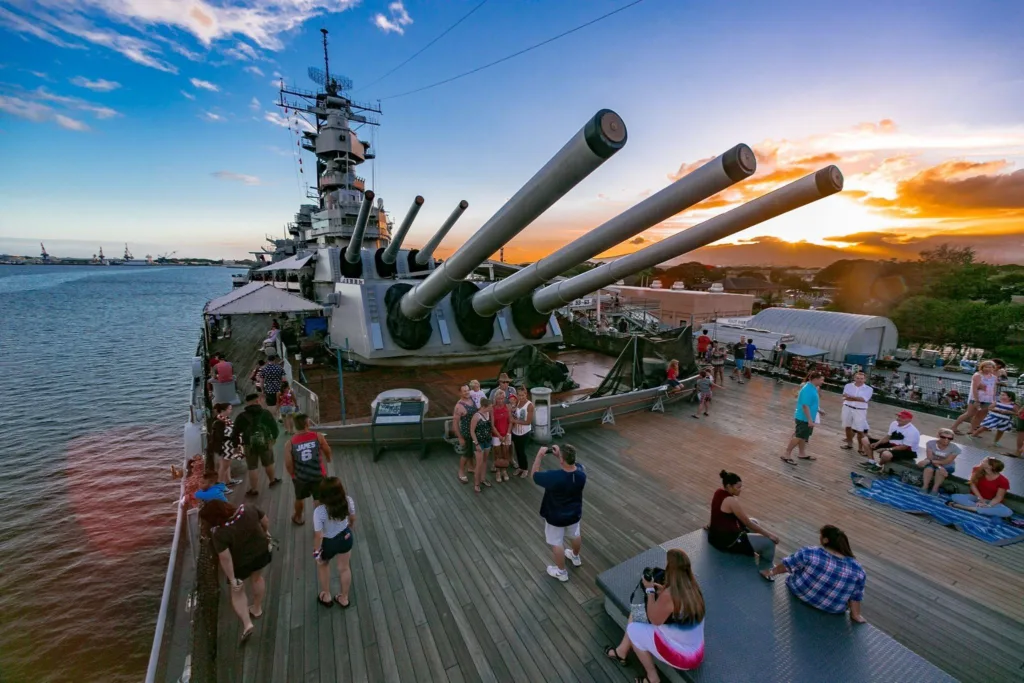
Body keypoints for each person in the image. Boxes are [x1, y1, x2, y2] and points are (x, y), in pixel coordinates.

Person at [604, 549, 706, 679]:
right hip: (696, 649)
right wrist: (663, 591)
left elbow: (653, 619)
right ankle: (621, 651)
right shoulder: (694, 587)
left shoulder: (670, 595)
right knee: (637, 612)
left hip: (683, 657)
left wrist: (650, 590)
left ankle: (652, 677)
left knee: (633, 629)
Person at [200, 499, 272, 643]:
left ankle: (247, 623)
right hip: (261, 552)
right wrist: (266, 534)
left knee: (237, 591)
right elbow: (265, 521)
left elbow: (225, 558)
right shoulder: (248, 508)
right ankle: (257, 609)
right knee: (257, 579)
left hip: (240, 563)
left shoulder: (219, 533)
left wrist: (232, 579)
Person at [761, 525, 866, 623]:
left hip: (799, 592)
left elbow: (788, 565)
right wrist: (856, 615)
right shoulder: (857, 570)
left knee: (800, 568)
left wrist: (770, 572)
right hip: (831, 609)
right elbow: (856, 595)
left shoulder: (811, 553)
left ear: (825, 540)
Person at [531, 444, 586, 582]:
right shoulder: (581, 473)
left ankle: (561, 572)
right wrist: (560, 456)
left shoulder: (554, 477)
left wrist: (539, 456)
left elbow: (534, 475)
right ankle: (575, 556)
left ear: (562, 460)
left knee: (557, 543)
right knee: (575, 534)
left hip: (556, 517)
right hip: (574, 514)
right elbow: (576, 465)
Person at [707, 470, 778, 567]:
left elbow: (715, 513)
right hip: (727, 541)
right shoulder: (731, 501)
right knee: (769, 543)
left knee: (755, 522)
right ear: (729, 486)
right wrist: (770, 535)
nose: (740, 489)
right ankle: (767, 568)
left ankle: (752, 548)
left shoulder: (718, 492)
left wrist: (709, 526)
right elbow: (747, 522)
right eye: (738, 487)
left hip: (714, 537)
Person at [313, 477, 356, 608]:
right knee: (344, 568)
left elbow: (319, 535)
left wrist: (316, 553)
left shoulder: (319, 512)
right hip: (346, 537)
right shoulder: (348, 500)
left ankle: (326, 595)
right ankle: (344, 598)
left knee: (323, 565)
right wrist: (350, 526)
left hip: (329, 543)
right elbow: (352, 518)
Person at [284, 413, 332, 525]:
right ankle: (320, 521)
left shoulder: (290, 443)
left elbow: (288, 463)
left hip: (300, 477)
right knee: (318, 498)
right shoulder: (318, 436)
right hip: (318, 474)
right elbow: (327, 449)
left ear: (295, 426)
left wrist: (293, 474)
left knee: (299, 498)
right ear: (307, 424)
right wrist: (328, 459)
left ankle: (298, 517)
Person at [233, 393, 281, 496]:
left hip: (249, 445)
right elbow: (274, 428)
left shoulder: (241, 416)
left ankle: (254, 490)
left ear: (247, 403)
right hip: (265, 442)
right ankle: (272, 481)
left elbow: (235, 433)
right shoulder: (265, 413)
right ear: (257, 401)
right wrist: (273, 438)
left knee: (252, 467)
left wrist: (235, 445)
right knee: (268, 463)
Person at [781, 371, 823, 465]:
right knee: (798, 436)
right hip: (803, 418)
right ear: (815, 379)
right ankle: (786, 454)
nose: (822, 381)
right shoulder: (808, 389)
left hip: (807, 417)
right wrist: (809, 420)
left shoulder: (813, 388)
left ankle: (802, 453)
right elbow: (805, 406)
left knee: (804, 436)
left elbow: (812, 403)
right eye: (821, 380)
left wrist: (819, 410)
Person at [951, 360, 998, 434]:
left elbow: (994, 388)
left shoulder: (994, 377)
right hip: (977, 398)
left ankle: (972, 430)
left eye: (990, 367)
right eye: (986, 367)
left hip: (988, 399)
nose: (988, 369)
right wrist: (976, 400)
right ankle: (954, 427)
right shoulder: (977, 375)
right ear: (982, 367)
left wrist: (994, 399)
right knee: (969, 414)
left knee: (980, 416)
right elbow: (974, 388)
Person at [208, 402, 243, 487]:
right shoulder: (219, 422)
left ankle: (228, 481)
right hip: (225, 446)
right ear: (223, 410)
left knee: (226, 465)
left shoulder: (224, 419)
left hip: (227, 445)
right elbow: (220, 437)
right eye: (230, 409)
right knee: (224, 467)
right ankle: (220, 486)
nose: (231, 410)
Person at [917, 428, 960, 495]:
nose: (946, 440)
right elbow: (930, 457)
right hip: (933, 462)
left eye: (949, 438)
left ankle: (935, 489)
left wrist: (932, 462)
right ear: (938, 436)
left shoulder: (955, 448)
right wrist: (939, 466)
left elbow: (947, 461)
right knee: (929, 469)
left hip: (947, 465)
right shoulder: (930, 443)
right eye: (943, 437)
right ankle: (925, 486)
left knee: (939, 471)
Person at [840, 371, 873, 452]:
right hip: (847, 408)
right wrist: (858, 398)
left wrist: (850, 397)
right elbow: (844, 396)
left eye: (861, 379)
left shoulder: (869, 389)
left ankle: (861, 448)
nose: (859, 380)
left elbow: (864, 400)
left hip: (860, 410)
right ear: (854, 378)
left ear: (865, 379)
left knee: (860, 430)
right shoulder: (848, 385)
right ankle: (849, 444)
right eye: (857, 378)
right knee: (847, 426)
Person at [469, 397, 494, 493]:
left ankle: (483, 479)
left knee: (485, 461)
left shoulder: (488, 413)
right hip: (479, 442)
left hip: (487, 440)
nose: (491, 408)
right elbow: (472, 431)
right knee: (478, 464)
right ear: (484, 406)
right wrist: (477, 443)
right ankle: (476, 484)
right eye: (490, 407)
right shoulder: (476, 416)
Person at [510, 385, 534, 478]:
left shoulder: (530, 405)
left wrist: (514, 421)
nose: (521, 397)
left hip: (524, 432)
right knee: (517, 450)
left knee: (522, 451)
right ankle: (520, 467)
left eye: (522, 395)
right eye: (519, 395)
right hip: (515, 431)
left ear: (526, 394)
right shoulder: (517, 402)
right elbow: (514, 413)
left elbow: (528, 422)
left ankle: (525, 469)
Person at [491, 391, 512, 482]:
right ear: (495, 398)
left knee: (505, 453)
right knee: (497, 454)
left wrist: (507, 434)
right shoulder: (492, 409)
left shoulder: (507, 407)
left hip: (506, 434)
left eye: (502, 398)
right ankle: (498, 471)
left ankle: (504, 470)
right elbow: (492, 425)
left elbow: (510, 422)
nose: (500, 400)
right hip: (496, 435)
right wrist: (499, 436)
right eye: (499, 398)